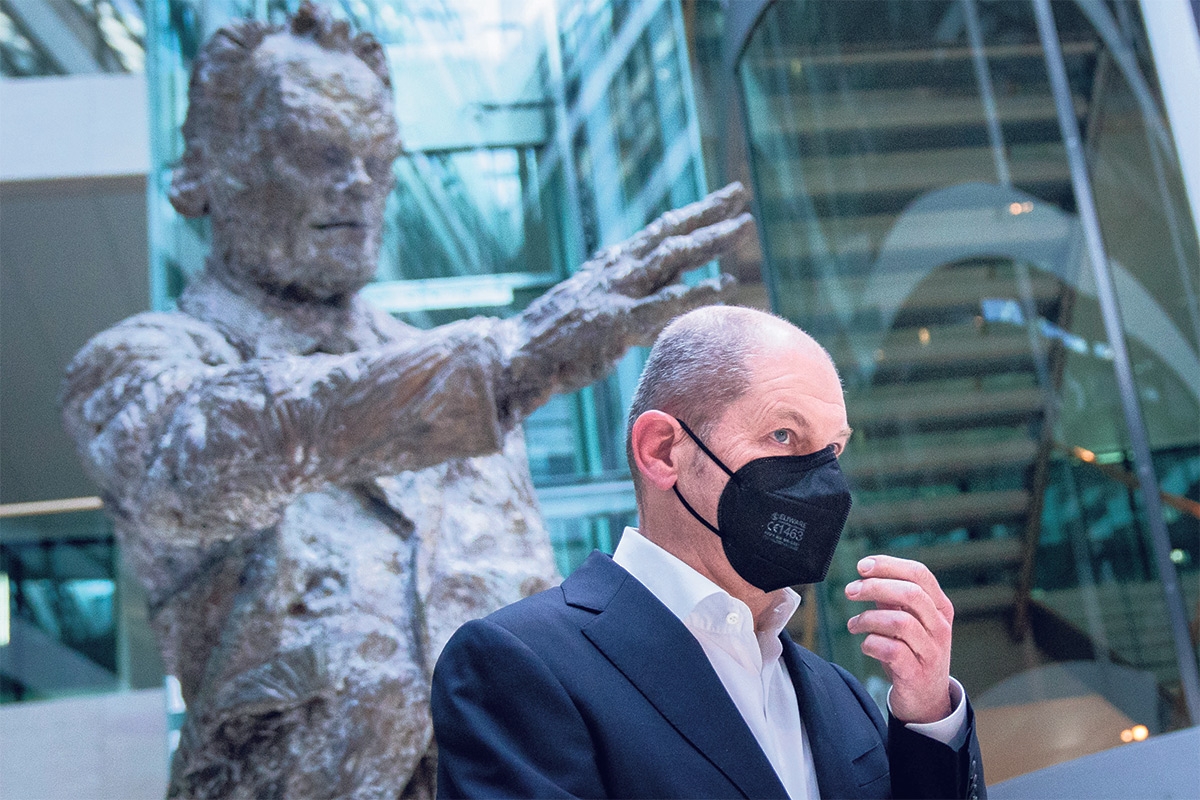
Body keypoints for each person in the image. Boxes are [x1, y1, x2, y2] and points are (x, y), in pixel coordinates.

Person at [60, 3, 752, 798]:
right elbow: (201, 453)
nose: (356, 183)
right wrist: (504, 364)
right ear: (204, 167)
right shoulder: (141, 364)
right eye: (315, 152)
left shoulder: (480, 375)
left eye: (376, 158)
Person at [431, 306, 986, 799]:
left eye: (832, 449)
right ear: (662, 451)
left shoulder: (840, 695)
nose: (823, 481)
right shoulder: (518, 664)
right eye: (785, 436)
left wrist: (929, 715)